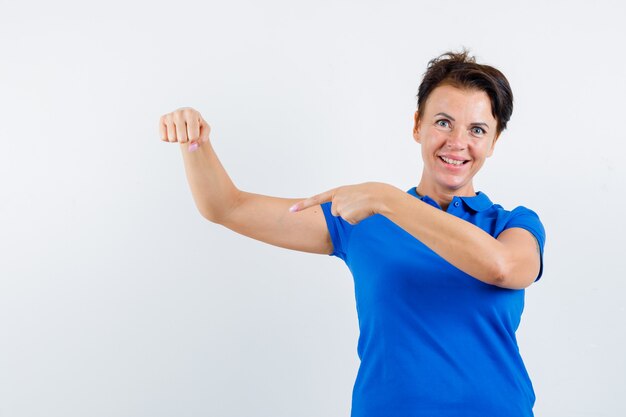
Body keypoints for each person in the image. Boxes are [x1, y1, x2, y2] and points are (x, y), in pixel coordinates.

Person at [159, 50, 546, 417]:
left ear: (493, 142)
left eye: (477, 129)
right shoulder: (364, 217)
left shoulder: (513, 225)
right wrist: (195, 143)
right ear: (417, 125)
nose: (457, 142)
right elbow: (227, 207)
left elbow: (503, 268)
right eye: (443, 122)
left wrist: (388, 199)